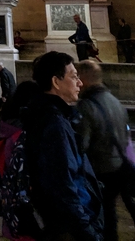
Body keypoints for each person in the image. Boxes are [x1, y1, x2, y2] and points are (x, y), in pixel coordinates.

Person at [25, 51, 103, 241]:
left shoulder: (51, 116)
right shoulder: (55, 124)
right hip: (69, 227)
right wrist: (87, 231)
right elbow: (62, 184)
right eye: (73, 77)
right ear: (56, 82)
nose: (80, 83)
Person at [76, 60, 135, 241]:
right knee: (110, 211)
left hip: (99, 169)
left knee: (101, 214)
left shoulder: (87, 106)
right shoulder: (115, 101)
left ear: (84, 79)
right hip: (119, 165)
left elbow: (82, 144)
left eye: (77, 77)